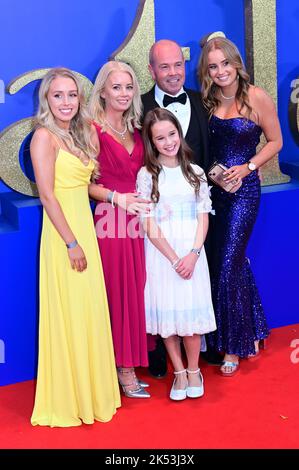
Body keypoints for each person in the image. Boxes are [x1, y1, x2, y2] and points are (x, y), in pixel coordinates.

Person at [30, 67, 121, 427]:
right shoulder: (43, 137)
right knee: (70, 312)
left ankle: (93, 393)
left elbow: (85, 186)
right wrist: (71, 243)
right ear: (46, 100)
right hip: (63, 234)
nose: (65, 102)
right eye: (57, 95)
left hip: (84, 227)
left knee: (88, 311)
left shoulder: (77, 135)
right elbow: (48, 195)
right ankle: (71, 398)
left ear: (79, 98)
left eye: (71, 95)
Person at [197, 33, 283, 376]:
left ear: (236, 64)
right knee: (226, 263)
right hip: (214, 193)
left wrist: (249, 167)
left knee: (229, 264)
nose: (220, 72)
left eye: (225, 64)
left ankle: (233, 346)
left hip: (244, 192)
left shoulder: (257, 97)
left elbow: (275, 141)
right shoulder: (207, 100)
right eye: (213, 66)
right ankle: (255, 329)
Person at [142, 39, 222, 376]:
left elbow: (215, 147)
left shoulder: (201, 100)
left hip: (197, 212)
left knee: (201, 281)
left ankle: (205, 349)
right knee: (161, 287)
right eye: (165, 66)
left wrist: (233, 172)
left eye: (178, 65)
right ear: (152, 70)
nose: (174, 73)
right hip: (159, 218)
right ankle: (163, 354)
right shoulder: (138, 104)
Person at [137, 108, 216, 400]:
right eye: (160, 138)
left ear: (179, 133)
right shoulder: (147, 175)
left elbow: (203, 217)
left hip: (192, 252)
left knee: (191, 318)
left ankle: (194, 370)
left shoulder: (195, 172)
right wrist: (173, 259)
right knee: (168, 318)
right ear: (152, 142)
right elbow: (148, 223)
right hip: (162, 255)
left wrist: (193, 254)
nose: (168, 142)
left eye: (171, 134)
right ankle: (179, 372)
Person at [88, 61, 150, 398]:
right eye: (116, 87)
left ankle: (126, 363)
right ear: (103, 91)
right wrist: (117, 199)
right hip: (109, 221)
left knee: (135, 291)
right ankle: (122, 371)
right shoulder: (91, 130)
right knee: (117, 294)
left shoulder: (134, 128)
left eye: (129, 87)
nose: (124, 93)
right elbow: (84, 184)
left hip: (137, 223)